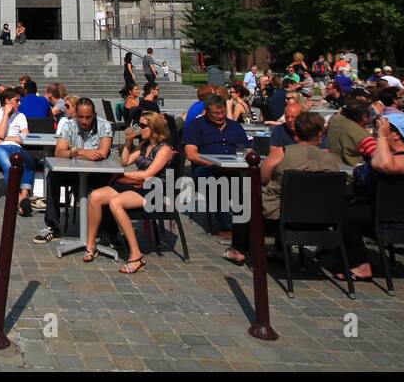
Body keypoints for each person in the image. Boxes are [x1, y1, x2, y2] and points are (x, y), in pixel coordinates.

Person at [222, 112, 342, 264]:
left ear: (296, 134)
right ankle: (280, 249)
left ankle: (238, 249)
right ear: (320, 134)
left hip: (279, 217)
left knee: (245, 199)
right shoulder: (330, 159)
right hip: (323, 218)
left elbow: (261, 178)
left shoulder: (281, 153)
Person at [82, 112, 174, 272]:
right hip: (137, 184)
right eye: (139, 125)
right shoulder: (145, 144)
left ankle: (136, 255)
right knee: (95, 196)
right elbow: (125, 161)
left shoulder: (164, 149)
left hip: (153, 190)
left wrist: (121, 174)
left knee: (115, 202)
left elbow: (147, 174)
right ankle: (91, 246)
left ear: (154, 127)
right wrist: (128, 140)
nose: (140, 129)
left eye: (143, 126)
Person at [338, 112, 404, 280]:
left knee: (343, 214)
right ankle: (339, 251)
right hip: (380, 209)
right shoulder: (389, 154)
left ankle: (360, 264)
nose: (375, 134)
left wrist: (382, 137)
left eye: (380, 130)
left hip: (397, 216)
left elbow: (384, 165)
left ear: (395, 134)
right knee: (339, 203)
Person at [35, 98, 113, 243]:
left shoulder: (104, 125)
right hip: (72, 172)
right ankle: (53, 226)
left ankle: (107, 230)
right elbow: (59, 152)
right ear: (75, 115)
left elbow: (102, 152)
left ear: (94, 115)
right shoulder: (69, 125)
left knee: (109, 182)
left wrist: (74, 152)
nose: (84, 121)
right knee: (53, 176)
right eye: (80, 117)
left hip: (96, 173)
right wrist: (84, 153)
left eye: (88, 117)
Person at [181, 95, 248, 237]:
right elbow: (191, 154)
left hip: (235, 167)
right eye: (215, 114)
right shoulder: (196, 125)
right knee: (218, 181)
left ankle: (245, 222)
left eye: (223, 112)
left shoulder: (235, 126)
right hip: (206, 168)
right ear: (206, 112)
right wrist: (216, 164)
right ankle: (226, 225)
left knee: (249, 181)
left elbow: (247, 149)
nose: (220, 116)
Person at [0, 88, 34, 216]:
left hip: (15, 146)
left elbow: (25, 137)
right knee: (9, 166)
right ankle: (19, 199)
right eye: (17, 101)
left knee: (29, 161)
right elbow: (1, 132)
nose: (19, 103)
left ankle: (24, 197)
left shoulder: (21, 115)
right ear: (7, 101)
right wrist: (6, 115)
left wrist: (5, 138)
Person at [326, 99, 373, 167]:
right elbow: (380, 159)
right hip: (354, 170)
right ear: (364, 117)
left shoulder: (334, 120)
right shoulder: (364, 138)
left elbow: (338, 114)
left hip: (334, 164)